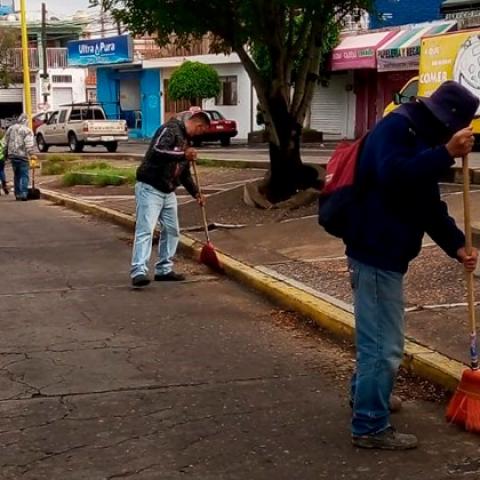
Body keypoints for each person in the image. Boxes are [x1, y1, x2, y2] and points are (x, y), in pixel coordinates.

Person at [345, 81, 479, 450]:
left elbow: (426, 205)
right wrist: (445, 154)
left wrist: (457, 246)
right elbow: (393, 175)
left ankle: (366, 396)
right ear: (445, 122)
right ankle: (370, 424)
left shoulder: (419, 137)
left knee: (377, 337)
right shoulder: (397, 129)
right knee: (384, 346)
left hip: (386, 252)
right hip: (374, 251)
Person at [130, 112, 209, 288]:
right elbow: (158, 152)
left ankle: (164, 269)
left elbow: (185, 173)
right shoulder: (170, 129)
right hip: (150, 187)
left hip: (168, 190)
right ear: (198, 125)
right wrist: (183, 155)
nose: (200, 136)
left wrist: (196, 193)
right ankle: (138, 271)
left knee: (172, 231)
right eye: (201, 132)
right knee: (146, 230)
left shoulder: (186, 140)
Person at [3, 114, 34, 201]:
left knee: (16, 175)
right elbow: (29, 144)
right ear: (26, 121)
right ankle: (24, 193)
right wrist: (32, 155)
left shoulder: (11, 128)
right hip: (22, 156)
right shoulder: (27, 130)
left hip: (12, 155)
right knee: (24, 175)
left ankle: (17, 194)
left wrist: (5, 154)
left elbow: (5, 142)